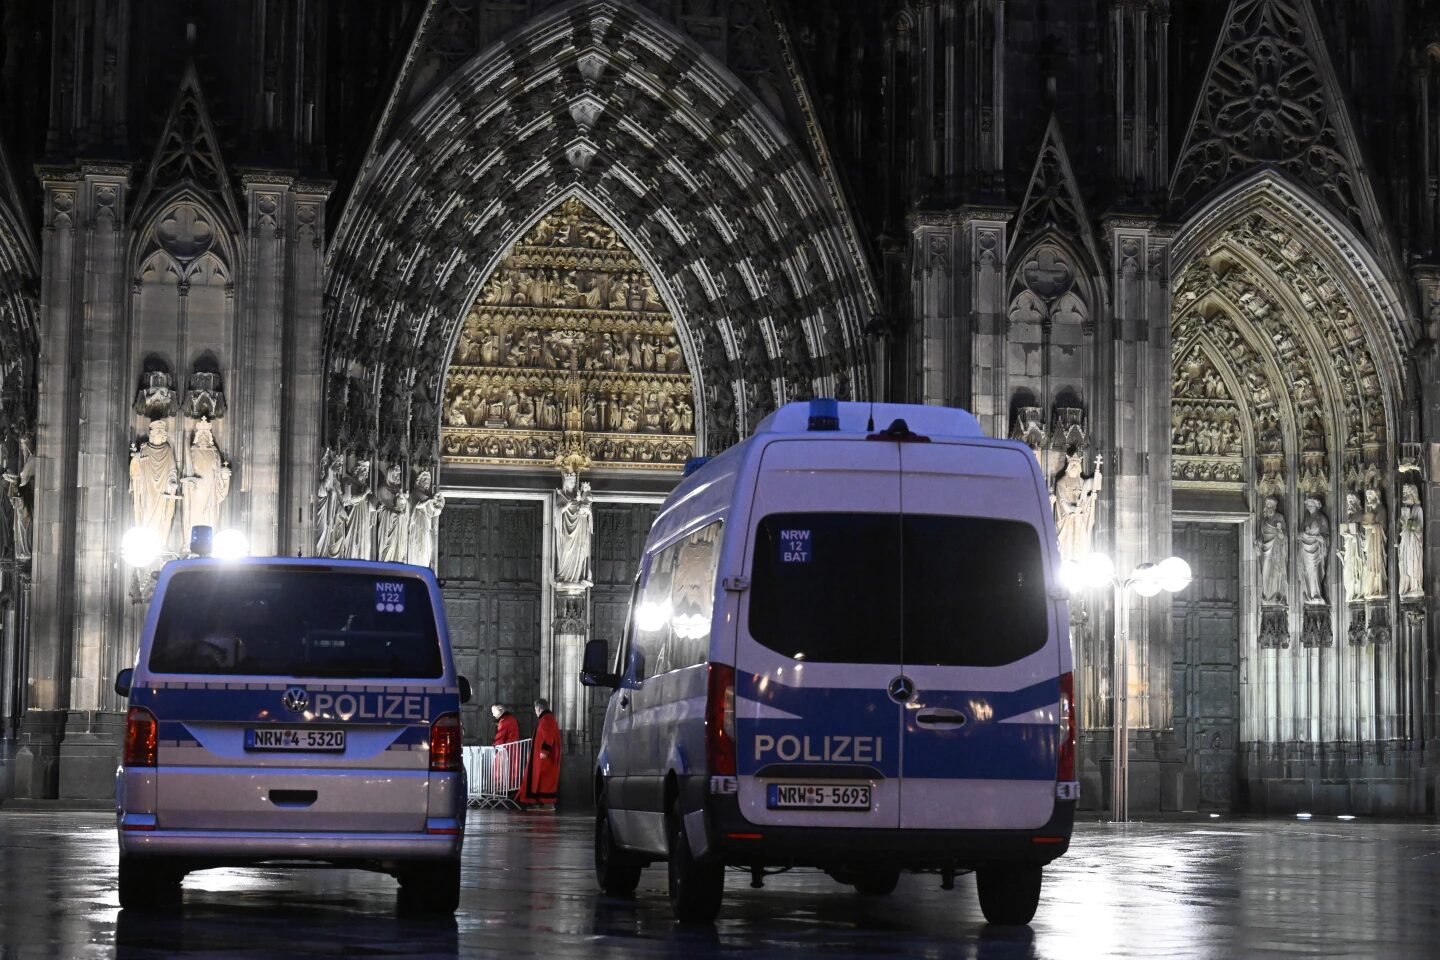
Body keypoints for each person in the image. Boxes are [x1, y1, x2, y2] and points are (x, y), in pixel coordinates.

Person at [518, 698, 561, 810]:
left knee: (544, 780)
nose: (535, 711)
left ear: (539, 708)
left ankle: (547, 803)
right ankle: (541, 802)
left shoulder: (547, 719)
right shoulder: (546, 718)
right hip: (542, 757)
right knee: (541, 779)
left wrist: (544, 750)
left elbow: (548, 735)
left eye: (536, 709)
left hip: (545, 758)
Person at [491, 704, 521, 796]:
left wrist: (494, 747)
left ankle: (500, 791)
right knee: (511, 770)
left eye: (493, 712)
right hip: (513, 748)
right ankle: (509, 790)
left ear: (501, 710)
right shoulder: (511, 718)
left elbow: (500, 736)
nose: (492, 714)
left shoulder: (504, 720)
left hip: (505, 749)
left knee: (500, 770)